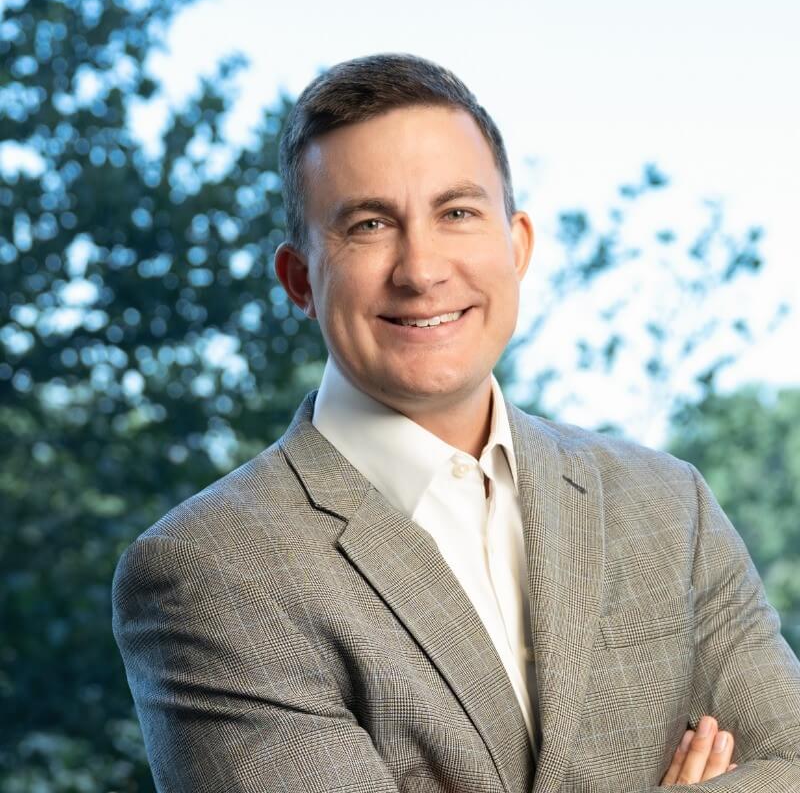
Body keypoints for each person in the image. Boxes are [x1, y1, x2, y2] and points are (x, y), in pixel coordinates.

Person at [111, 54, 800, 792]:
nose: (422, 270)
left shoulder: (668, 504)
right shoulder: (212, 569)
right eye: (370, 224)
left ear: (518, 245)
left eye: (458, 213)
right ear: (300, 280)